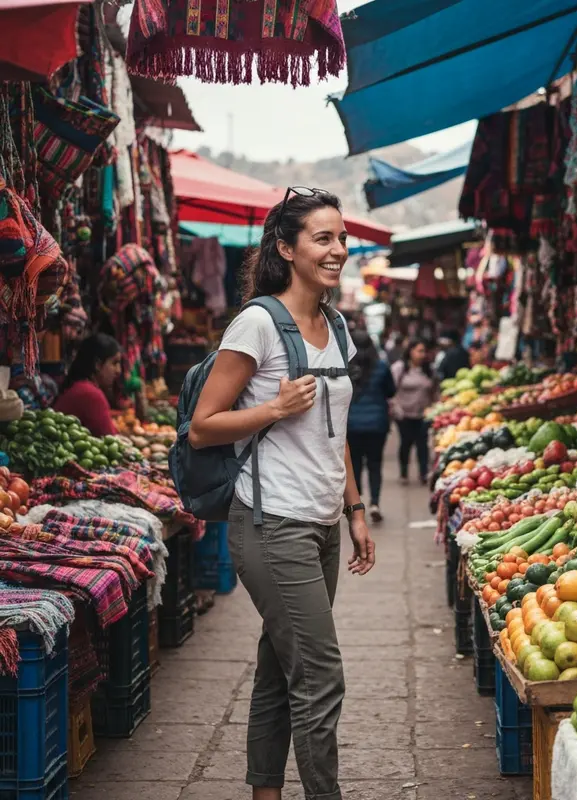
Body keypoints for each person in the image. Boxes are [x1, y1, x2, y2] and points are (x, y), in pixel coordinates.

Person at [187, 187, 375, 800]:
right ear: (286, 248)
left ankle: (264, 791)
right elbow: (203, 425)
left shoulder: (337, 326)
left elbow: (335, 430)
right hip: (271, 526)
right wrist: (272, 408)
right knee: (321, 676)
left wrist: (355, 511)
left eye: (341, 238)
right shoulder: (258, 322)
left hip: (321, 524)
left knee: (279, 667)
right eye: (323, 239)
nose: (338, 250)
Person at [347, 330, 396, 522]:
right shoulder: (382, 367)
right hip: (377, 424)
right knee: (375, 464)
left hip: (352, 424)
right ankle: (375, 502)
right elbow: (391, 391)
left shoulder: (346, 368)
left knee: (355, 464)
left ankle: (357, 505)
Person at [53, 333, 122, 437]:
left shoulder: (80, 387)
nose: (118, 370)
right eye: (114, 363)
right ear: (97, 365)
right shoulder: (90, 394)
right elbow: (110, 439)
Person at [391, 339, 436, 485]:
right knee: (406, 443)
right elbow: (391, 391)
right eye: (419, 351)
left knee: (422, 445)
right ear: (410, 351)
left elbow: (434, 391)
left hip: (423, 415)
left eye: (424, 351)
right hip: (403, 414)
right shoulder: (400, 368)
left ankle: (424, 474)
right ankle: (404, 473)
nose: (422, 355)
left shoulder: (428, 369)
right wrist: (395, 408)